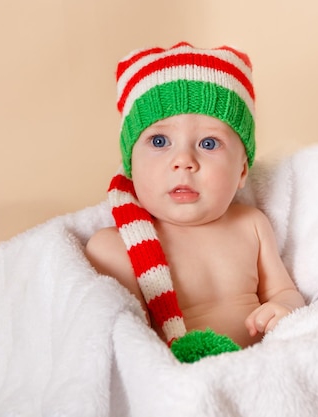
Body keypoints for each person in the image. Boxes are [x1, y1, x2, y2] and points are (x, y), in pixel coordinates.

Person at [85, 42, 305, 349]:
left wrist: (284, 310)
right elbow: (124, 342)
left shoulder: (251, 226)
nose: (184, 160)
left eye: (209, 144)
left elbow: (284, 293)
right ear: (131, 166)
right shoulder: (116, 247)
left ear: (242, 171)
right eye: (160, 140)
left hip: (255, 369)